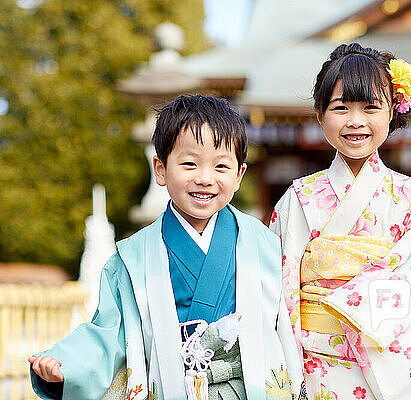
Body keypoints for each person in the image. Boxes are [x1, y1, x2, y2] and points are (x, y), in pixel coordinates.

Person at [30, 94, 305, 400]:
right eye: (189, 164)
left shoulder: (266, 245)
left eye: (221, 166)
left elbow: (290, 328)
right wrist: (66, 365)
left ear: (239, 175)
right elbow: (108, 333)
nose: (204, 179)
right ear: (160, 169)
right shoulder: (132, 259)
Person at [269, 43, 411, 399]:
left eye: (371, 107)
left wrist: (348, 308)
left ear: (392, 112)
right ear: (319, 114)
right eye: (341, 107)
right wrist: (287, 365)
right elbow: (281, 291)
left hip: (386, 356)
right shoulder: (298, 198)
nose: (356, 121)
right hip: (316, 363)